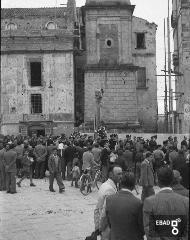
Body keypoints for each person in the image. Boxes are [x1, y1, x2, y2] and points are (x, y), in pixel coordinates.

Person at [143, 167, 189, 240]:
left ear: (157, 181)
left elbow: (149, 229)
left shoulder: (149, 202)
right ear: (172, 180)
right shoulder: (186, 201)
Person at [100, 172, 144, 240]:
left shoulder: (109, 199)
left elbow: (107, 222)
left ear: (121, 183)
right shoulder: (138, 203)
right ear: (133, 186)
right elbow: (142, 228)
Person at [94, 165, 122, 240]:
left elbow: (97, 208)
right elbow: (105, 213)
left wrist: (97, 226)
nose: (121, 176)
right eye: (118, 174)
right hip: (107, 228)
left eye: (121, 174)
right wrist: (100, 227)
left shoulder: (105, 185)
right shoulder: (110, 190)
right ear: (110, 174)